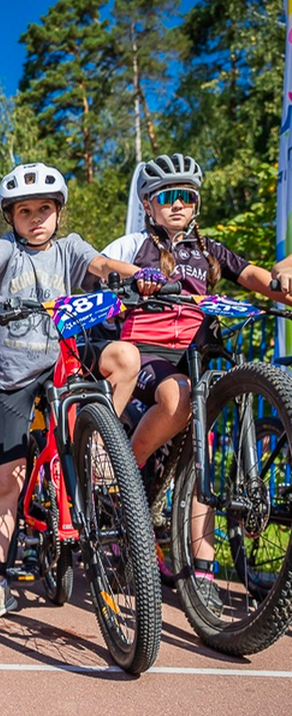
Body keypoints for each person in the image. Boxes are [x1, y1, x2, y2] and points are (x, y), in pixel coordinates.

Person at [0, 162, 157, 624]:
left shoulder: (69, 248)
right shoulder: (7, 248)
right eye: (24, 211)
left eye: (45, 208)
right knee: (8, 478)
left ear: (59, 212)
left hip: (62, 362)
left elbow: (102, 265)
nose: (36, 218)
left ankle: (103, 452)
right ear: (12, 217)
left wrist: (141, 275)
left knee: (125, 358)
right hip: (12, 374)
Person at [100, 153, 292, 612]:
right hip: (150, 354)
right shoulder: (133, 244)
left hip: (198, 356)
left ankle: (202, 571)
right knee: (177, 395)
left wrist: (283, 277)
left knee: (197, 457)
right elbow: (99, 265)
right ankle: (128, 471)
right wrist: (133, 278)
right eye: (168, 198)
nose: (178, 205)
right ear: (149, 205)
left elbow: (256, 278)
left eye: (186, 197)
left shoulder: (210, 251)